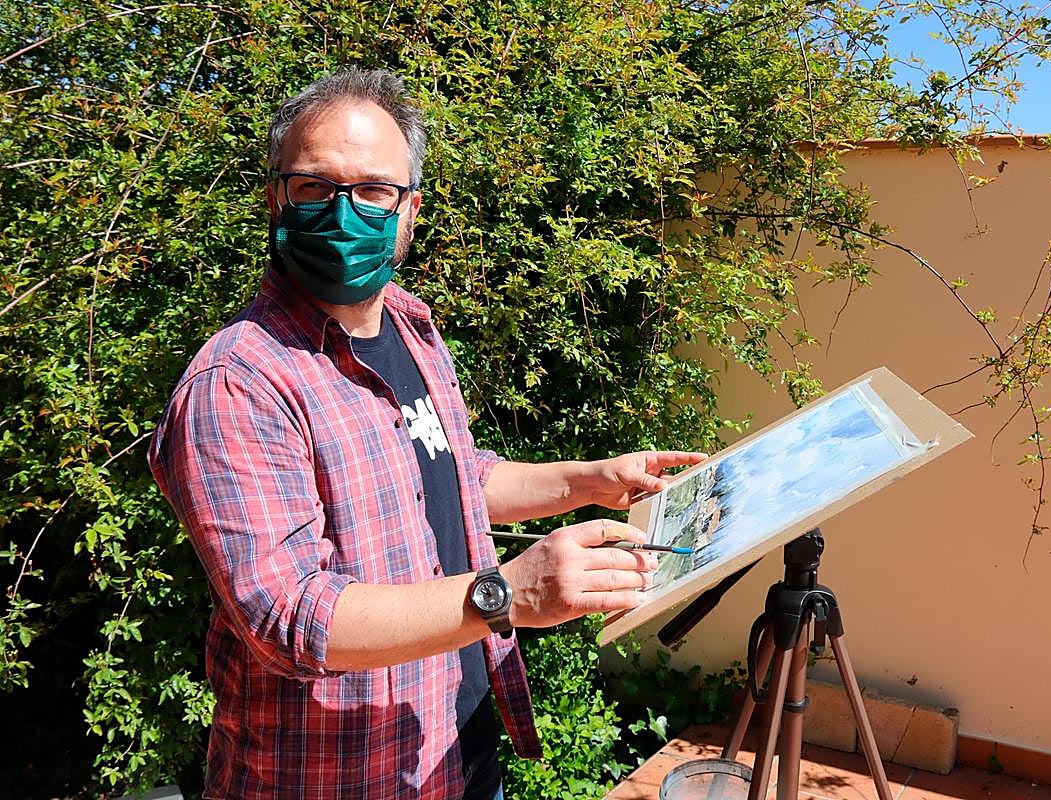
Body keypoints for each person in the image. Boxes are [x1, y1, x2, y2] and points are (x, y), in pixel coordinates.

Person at [147, 66, 705, 800]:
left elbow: (450, 474)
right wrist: (510, 594)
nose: (344, 213)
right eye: (315, 187)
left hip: (458, 751)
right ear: (275, 197)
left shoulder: (409, 328)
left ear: (410, 209)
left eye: (374, 190)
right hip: (339, 777)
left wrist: (590, 481)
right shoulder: (238, 381)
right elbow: (289, 618)